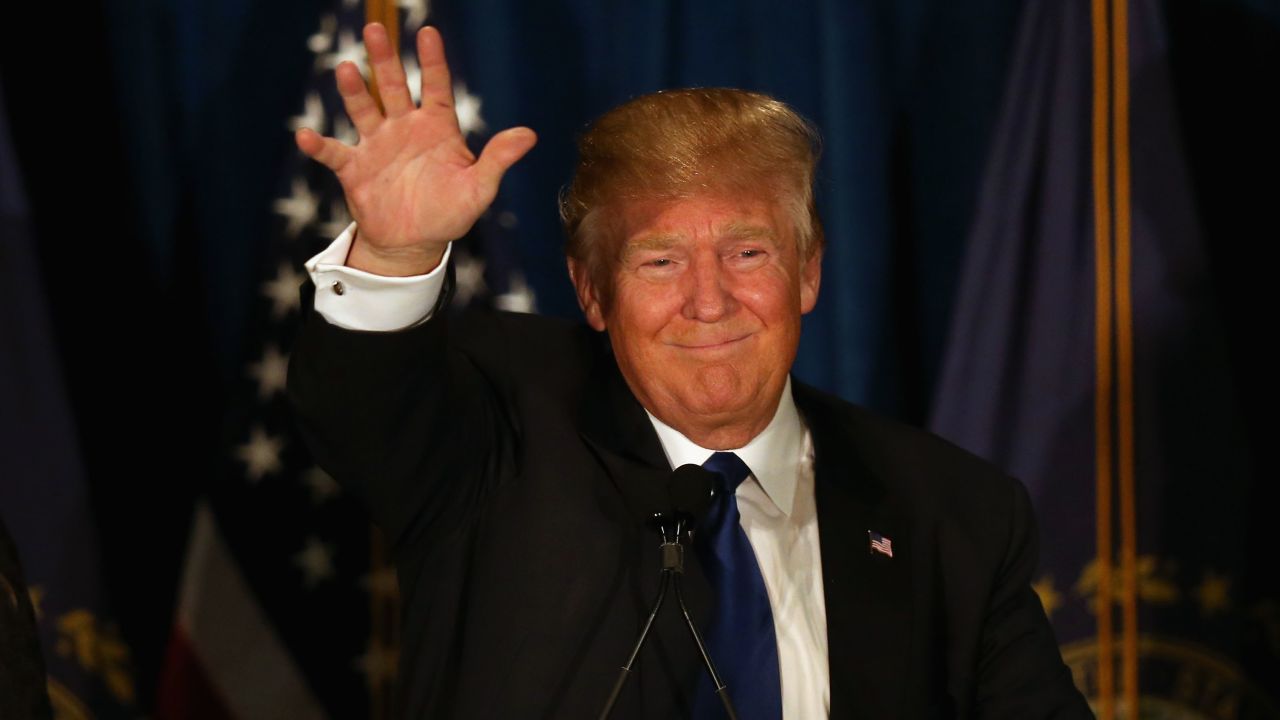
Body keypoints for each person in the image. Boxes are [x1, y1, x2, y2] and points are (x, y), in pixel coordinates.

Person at [287, 22, 1093, 720]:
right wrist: (396, 254)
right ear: (591, 291)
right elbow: (366, 407)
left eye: (747, 252)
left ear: (807, 272)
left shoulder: (950, 515)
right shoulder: (498, 425)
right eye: (661, 261)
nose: (710, 302)